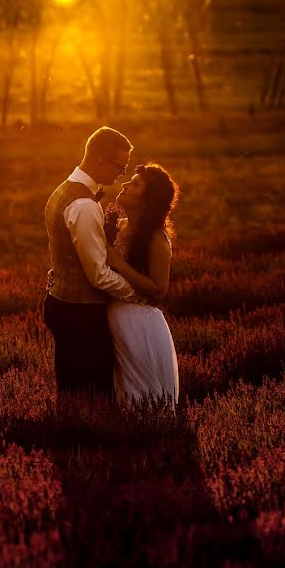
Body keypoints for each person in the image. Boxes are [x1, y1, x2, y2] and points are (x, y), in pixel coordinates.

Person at [43, 126, 136, 403]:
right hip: (81, 314)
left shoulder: (64, 189)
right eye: (120, 166)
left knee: (72, 395)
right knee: (94, 394)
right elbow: (98, 276)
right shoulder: (83, 205)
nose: (122, 174)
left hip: (63, 302)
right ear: (99, 160)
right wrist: (138, 293)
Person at [104, 163, 180, 408]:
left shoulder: (157, 238)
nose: (125, 184)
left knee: (142, 399)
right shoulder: (117, 225)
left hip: (140, 326)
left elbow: (159, 290)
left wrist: (118, 263)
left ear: (147, 200)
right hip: (112, 319)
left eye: (135, 184)